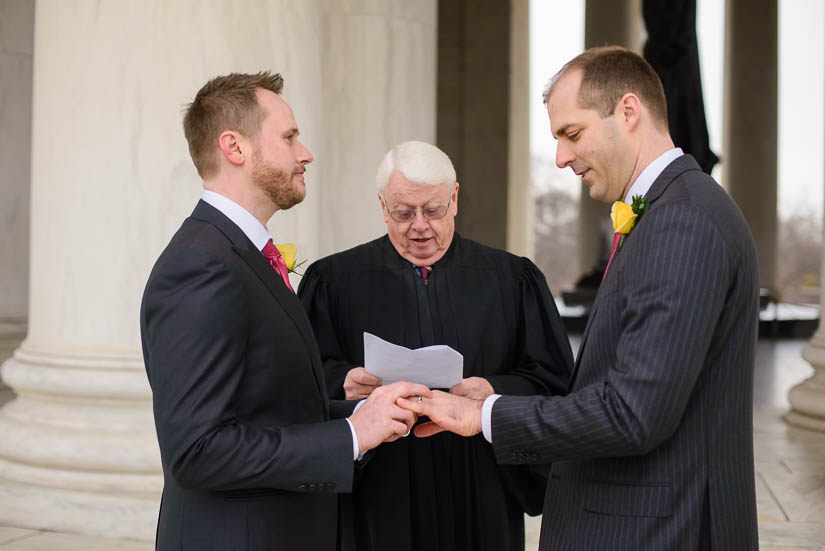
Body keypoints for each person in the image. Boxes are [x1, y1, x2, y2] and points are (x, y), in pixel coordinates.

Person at [399, 46, 760, 550]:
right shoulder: (668, 210)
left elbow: (633, 414)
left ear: (628, 112)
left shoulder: (683, 221)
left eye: (572, 134)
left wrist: (484, 415)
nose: (561, 157)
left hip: (657, 531)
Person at [140, 72, 428, 551]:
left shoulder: (239, 254)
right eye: (290, 137)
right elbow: (196, 452)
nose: (305, 153)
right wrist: (351, 436)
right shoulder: (200, 265)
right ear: (235, 147)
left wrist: (373, 411)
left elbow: (265, 411)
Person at [298, 140, 573, 551]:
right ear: (382, 206)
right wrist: (343, 381)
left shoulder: (512, 280)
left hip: (480, 490)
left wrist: (493, 390)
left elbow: (555, 384)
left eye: (433, 210)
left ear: (455, 198)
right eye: (404, 213)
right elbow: (300, 378)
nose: (420, 226)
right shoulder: (334, 281)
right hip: (378, 493)